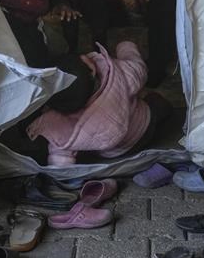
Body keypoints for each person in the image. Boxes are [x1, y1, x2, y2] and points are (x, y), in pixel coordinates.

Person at [26, 41, 171, 166]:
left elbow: (61, 147)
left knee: (74, 136)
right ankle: (169, 114)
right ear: (91, 69)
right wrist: (126, 47)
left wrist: (60, 171)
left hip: (111, 152)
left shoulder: (60, 117)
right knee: (155, 101)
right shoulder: (118, 74)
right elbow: (139, 70)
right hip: (143, 128)